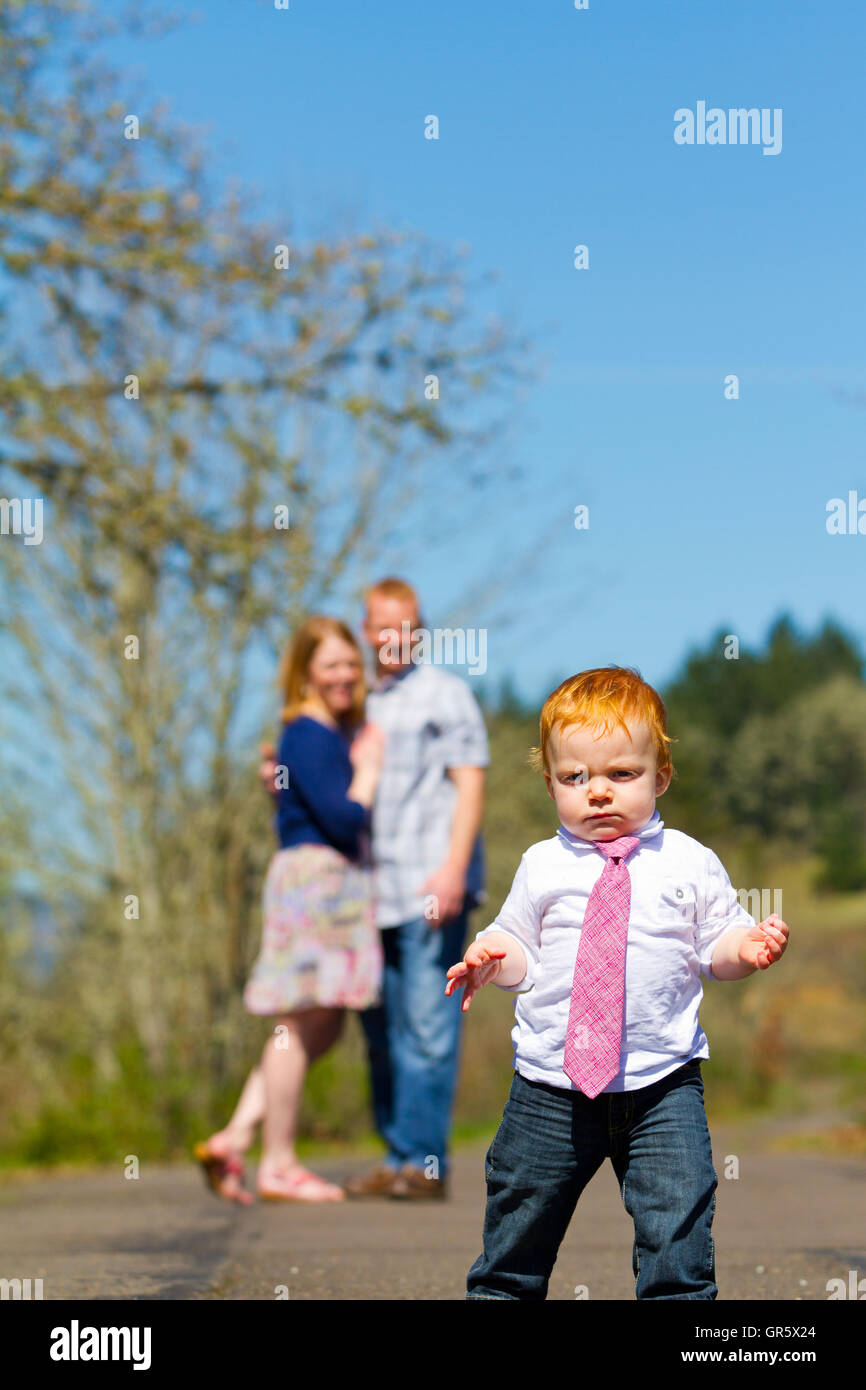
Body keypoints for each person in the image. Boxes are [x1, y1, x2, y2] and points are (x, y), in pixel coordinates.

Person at [446, 666, 789, 1299]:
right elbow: (522, 948)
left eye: (620, 774)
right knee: (518, 1224)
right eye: (575, 777)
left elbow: (716, 943)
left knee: (679, 1226)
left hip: (662, 1086)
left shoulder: (688, 859)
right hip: (549, 1087)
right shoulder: (542, 864)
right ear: (550, 784)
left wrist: (748, 946)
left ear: (660, 776)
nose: (597, 791)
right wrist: (494, 957)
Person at [195, 616, 383, 1203]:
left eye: (352, 663)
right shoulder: (308, 733)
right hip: (317, 879)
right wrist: (371, 767)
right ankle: (277, 1162)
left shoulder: (311, 738)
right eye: (330, 664)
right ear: (304, 672)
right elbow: (344, 817)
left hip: (323, 878)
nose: (346, 675)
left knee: (317, 1024)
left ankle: (234, 1137)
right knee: (300, 1022)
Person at [346, 577, 488, 1199]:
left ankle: (426, 1167)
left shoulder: (445, 694)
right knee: (382, 1031)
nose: (392, 636)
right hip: (369, 892)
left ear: (419, 629)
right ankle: (399, 1155)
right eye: (381, 624)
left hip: (430, 883)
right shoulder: (358, 706)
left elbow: (470, 784)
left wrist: (454, 868)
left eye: (404, 625)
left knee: (429, 1026)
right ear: (365, 630)